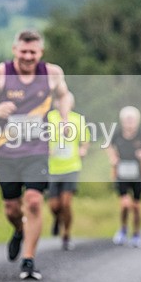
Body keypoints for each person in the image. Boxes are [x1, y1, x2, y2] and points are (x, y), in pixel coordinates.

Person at [0, 30, 71, 280]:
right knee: (12, 209)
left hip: (37, 149)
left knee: (34, 201)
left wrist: (65, 119)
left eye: (32, 52)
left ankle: (29, 259)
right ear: (15, 50)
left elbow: (64, 95)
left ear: (40, 53)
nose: (27, 56)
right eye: (23, 51)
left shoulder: (52, 73)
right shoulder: (0, 73)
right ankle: (19, 230)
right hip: (7, 150)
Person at [46, 94, 90, 251]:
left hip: (72, 167)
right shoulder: (49, 118)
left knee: (66, 203)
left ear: (72, 103)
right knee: (54, 206)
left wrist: (83, 150)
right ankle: (57, 219)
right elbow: (41, 138)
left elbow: (85, 141)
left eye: (67, 102)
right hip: (52, 168)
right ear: (56, 103)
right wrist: (46, 148)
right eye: (60, 102)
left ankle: (66, 234)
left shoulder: (78, 119)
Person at [107, 106, 141, 248]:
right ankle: (123, 229)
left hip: (137, 174)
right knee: (125, 205)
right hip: (121, 173)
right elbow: (108, 146)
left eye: (132, 120)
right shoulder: (117, 134)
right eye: (127, 120)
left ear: (137, 121)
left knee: (137, 207)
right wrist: (113, 158)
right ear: (122, 121)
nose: (129, 122)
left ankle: (136, 234)